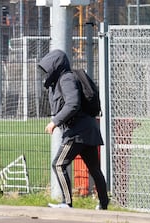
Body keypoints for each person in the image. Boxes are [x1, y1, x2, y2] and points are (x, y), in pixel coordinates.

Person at [38, 49, 109, 210]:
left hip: (78, 131)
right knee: (94, 169)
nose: (46, 73)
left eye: (48, 68)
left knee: (58, 164)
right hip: (88, 129)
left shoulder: (66, 78)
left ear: (55, 66)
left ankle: (66, 202)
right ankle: (104, 204)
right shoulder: (60, 81)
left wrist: (55, 122)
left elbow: (73, 103)